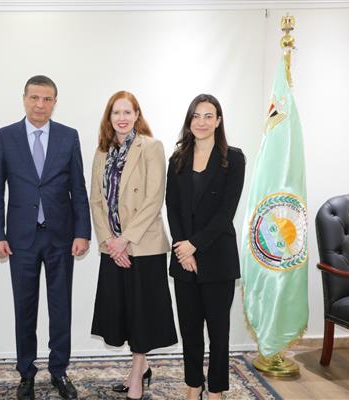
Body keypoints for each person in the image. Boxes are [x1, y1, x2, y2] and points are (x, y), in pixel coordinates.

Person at [0, 75, 91, 400]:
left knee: (61, 308)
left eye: (47, 99)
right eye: (34, 97)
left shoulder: (68, 136)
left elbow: (78, 188)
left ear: (54, 102)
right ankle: (26, 373)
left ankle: (59, 370)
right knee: (25, 308)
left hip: (61, 237)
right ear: (24, 98)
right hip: (21, 240)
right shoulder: (5, 137)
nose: (40, 104)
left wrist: (82, 231)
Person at [90, 91, 178, 400]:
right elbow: (96, 200)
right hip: (113, 247)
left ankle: (137, 374)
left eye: (128, 112)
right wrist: (110, 242)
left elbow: (154, 199)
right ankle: (141, 367)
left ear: (137, 115)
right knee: (122, 313)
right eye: (116, 112)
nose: (122, 118)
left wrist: (125, 240)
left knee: (142, 314)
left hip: (143, 246)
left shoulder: (151, 147)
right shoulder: (102, 151)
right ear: (109, 117)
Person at [166, 94, 246, 400]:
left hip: (217, 257)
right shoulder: (177, 159)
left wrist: (194, 245)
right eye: (196, 116)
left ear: (218, 121)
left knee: (218, 332)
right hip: (183, 259)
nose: (201, 122)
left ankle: (216, 389)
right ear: (189, 121)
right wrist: (182, 249)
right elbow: (172, 207)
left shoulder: (234, 159)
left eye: (208, 116)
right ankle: (193, 384)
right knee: (189, 330)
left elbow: (226, 212)